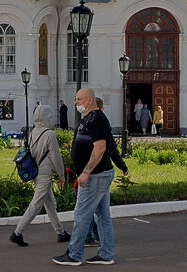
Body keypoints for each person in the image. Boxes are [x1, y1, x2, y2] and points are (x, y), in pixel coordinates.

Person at [52, 87, 116, 266]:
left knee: (82, 215)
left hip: (95, 176)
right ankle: (106, 254)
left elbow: (100, 148)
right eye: (76, 99)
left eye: (79, 99)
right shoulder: (88, 119)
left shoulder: (96, 119)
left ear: (89, 100)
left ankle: (74, 254)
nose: (76, 102)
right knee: (102, 216)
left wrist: (86, 172)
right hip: (99, 174)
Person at [10, 104, 71, 247]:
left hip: (35, 171)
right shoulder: (49, 134)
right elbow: (56, 156)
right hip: (44, 172)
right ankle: (17, 233)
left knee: (49, 203)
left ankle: (61, 233)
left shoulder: (33, 132)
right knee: (37, 203)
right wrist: (61, 175)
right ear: (46, 117)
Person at [85, 97, 128, 248]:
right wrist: (123, 167)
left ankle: (95, 237)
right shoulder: (100, 123)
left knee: (95, 209)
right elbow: (110, 150)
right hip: (100, 171)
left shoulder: (85, 123)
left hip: (90, 171)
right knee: (97, 210)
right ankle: (91, 238)